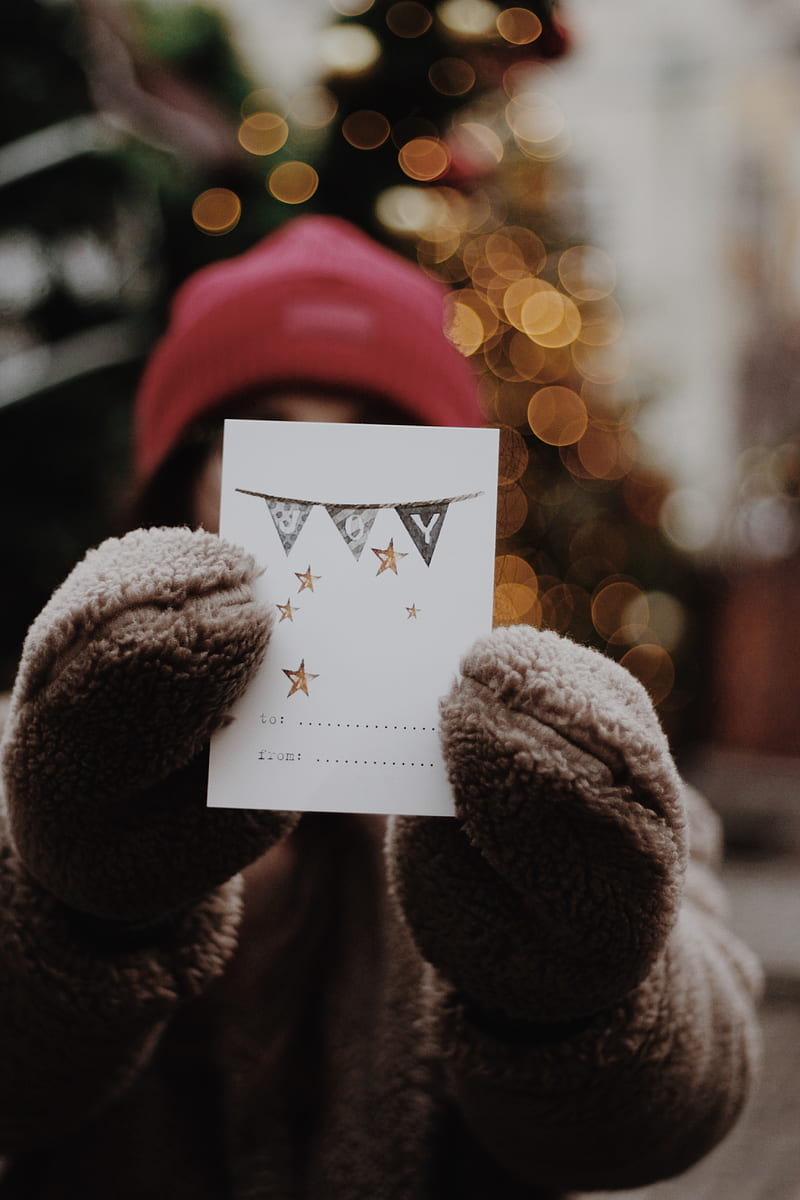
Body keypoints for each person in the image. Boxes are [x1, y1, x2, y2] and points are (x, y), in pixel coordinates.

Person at [0, 216, 762, 1199]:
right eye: (261, 438)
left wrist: (578, 985)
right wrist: (72, 902)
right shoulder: (41, 755)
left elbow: (674, 1106)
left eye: (375, 441)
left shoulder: (553, 761)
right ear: (180, 489)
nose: (324, 490)